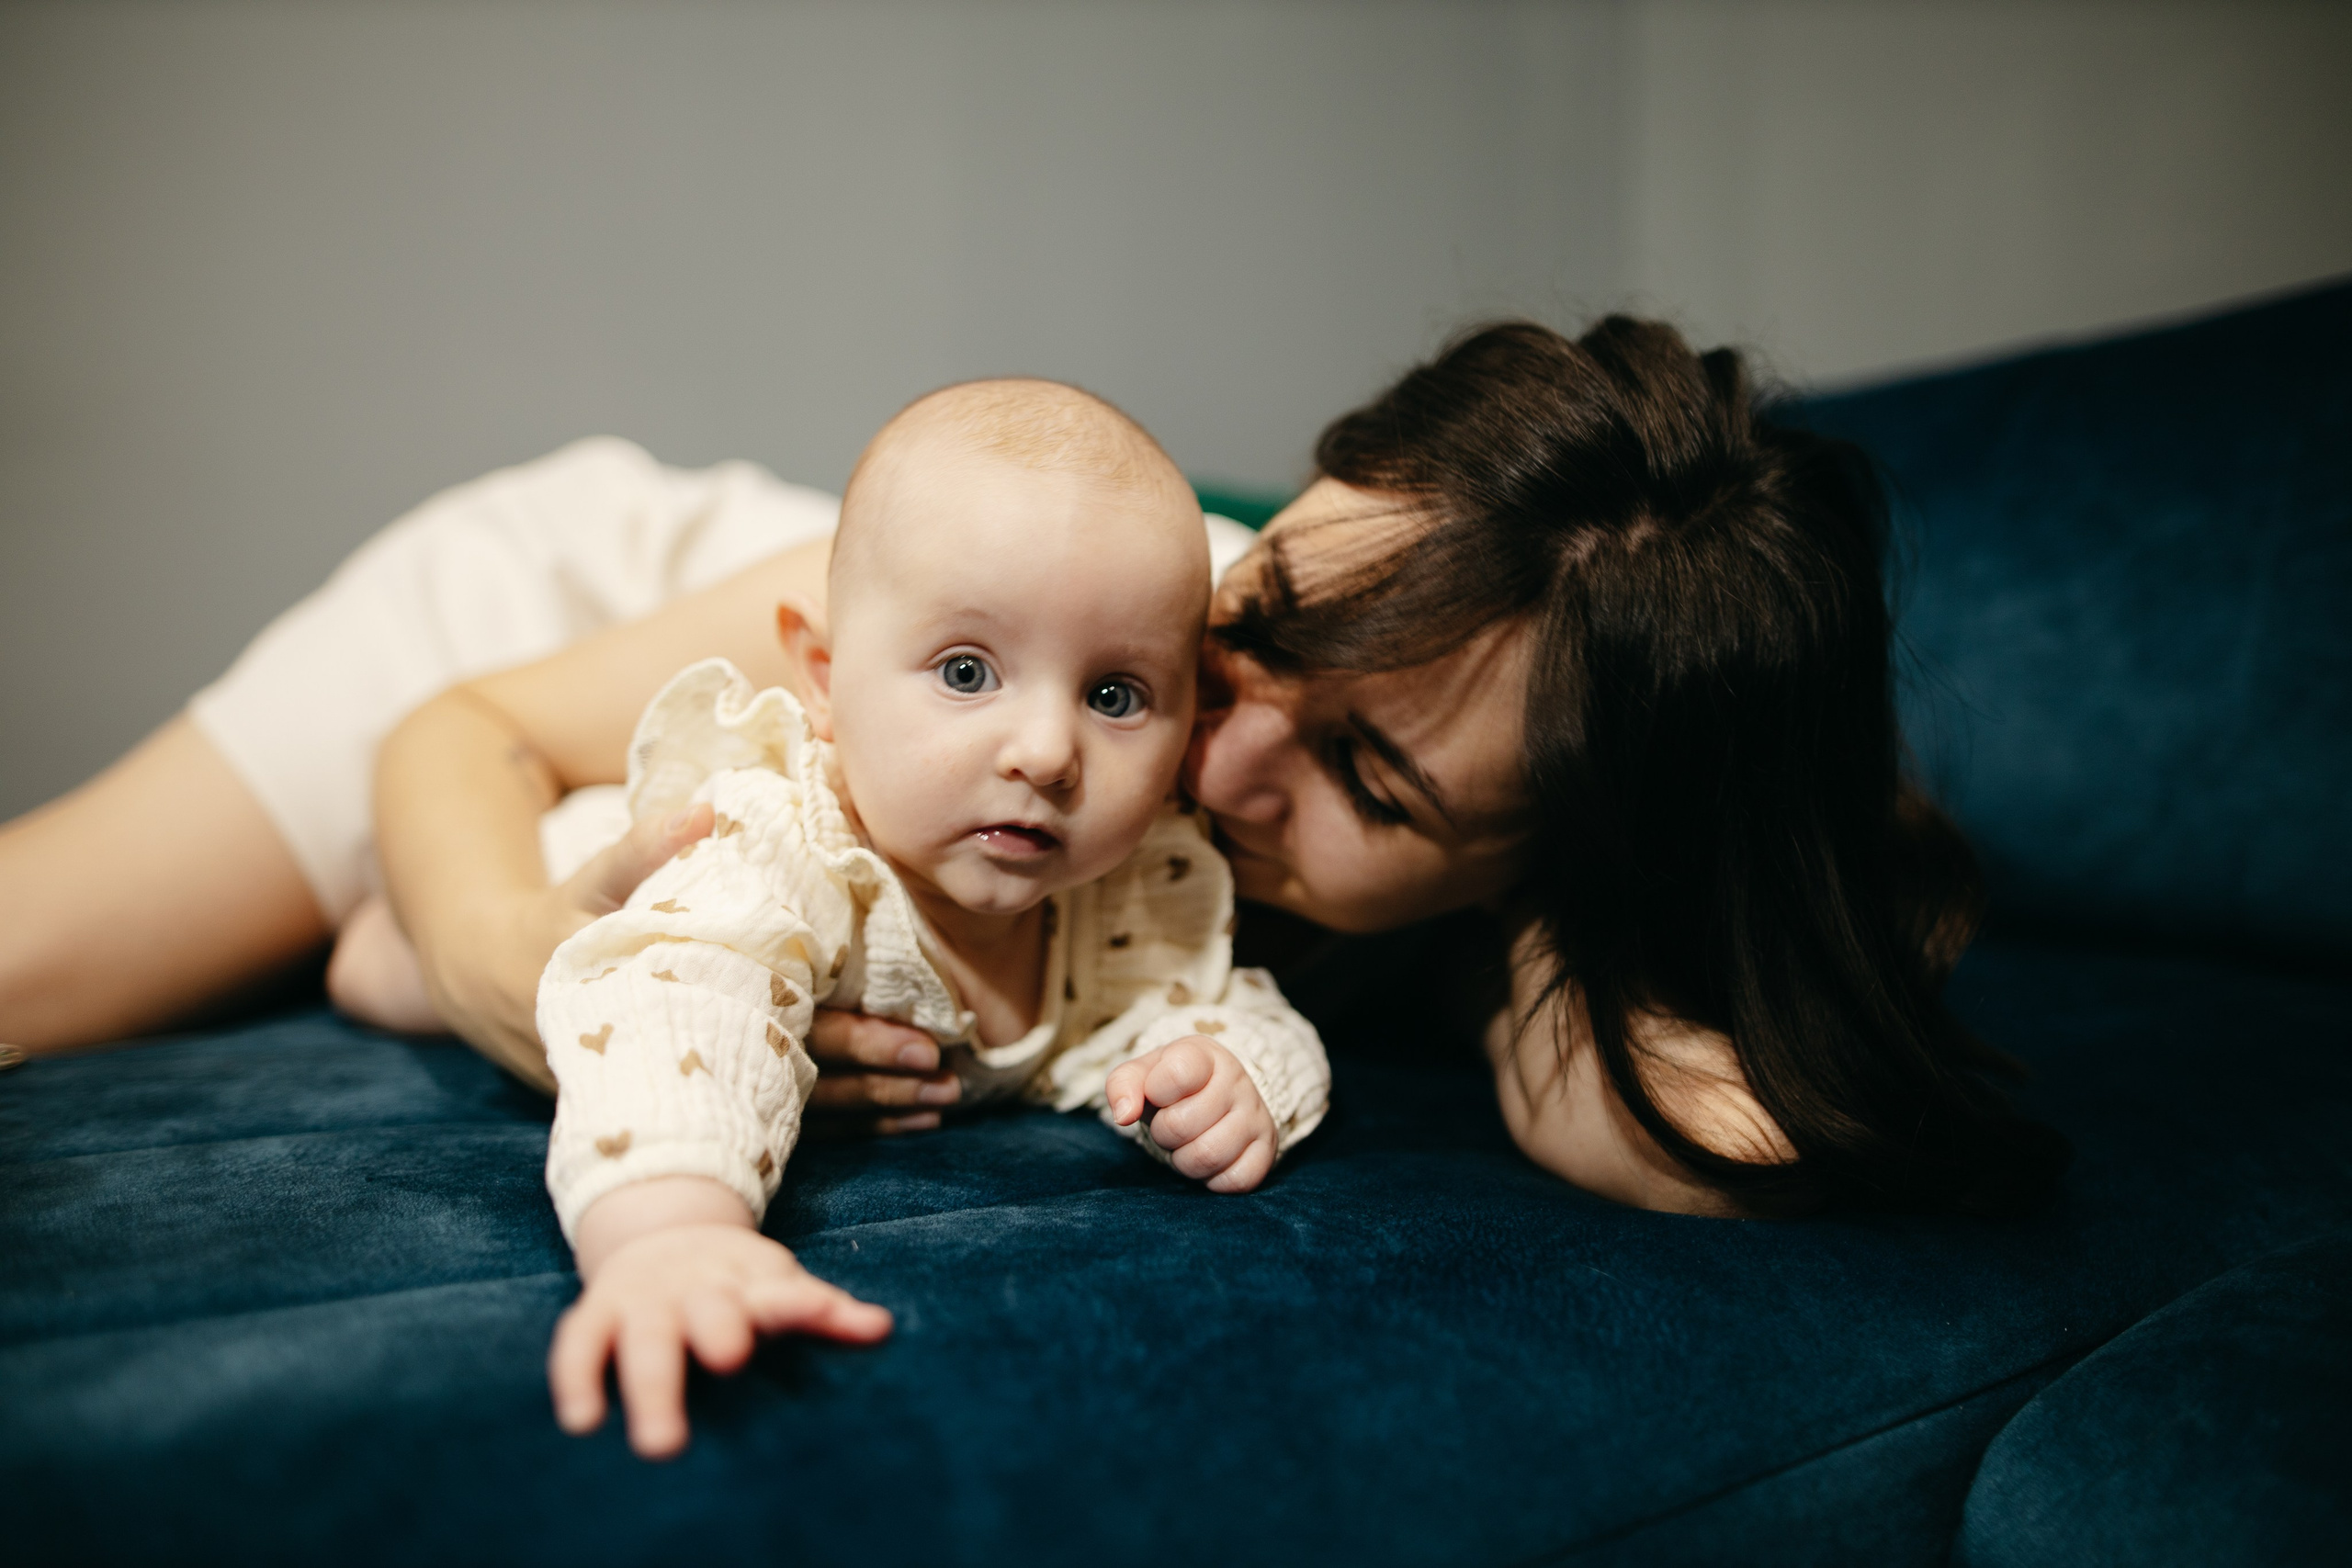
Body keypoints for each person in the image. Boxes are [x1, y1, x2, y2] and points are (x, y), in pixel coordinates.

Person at [0, 314, 2065, 1226]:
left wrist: (1598, 933)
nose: (1208, 748)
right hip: (582, 638)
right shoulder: (1046, 622)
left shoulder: (1521, 875)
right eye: (1269, 612)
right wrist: (539, 980)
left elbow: (1708, 1117)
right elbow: (454, 734)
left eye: (1370, 776)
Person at [538, 378, 1329, 1458]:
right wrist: (671, 1237)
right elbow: (678, 1009)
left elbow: (1219, 1002)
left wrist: (1239, 1083)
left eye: (1114, 696)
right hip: (593, 855)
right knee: (393, 968)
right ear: (824, 682)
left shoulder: (1129, 890)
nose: (1047, 753)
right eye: (968, 672)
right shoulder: (784, 855)